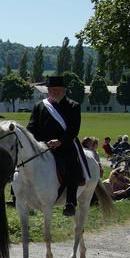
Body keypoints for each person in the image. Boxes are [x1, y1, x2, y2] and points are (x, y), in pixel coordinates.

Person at [27, 75, 84, 217]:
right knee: (23, 164)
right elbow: (31, 127)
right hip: (42, 147)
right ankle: (17, 196)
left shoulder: (73, 106)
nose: (55, 92)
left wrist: (60, 141)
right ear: (48, 91)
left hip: (64, 146)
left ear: (64, 90)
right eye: (52, 90)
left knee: (73, 165)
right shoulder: (39, 106)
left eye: (58, 89)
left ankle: (70, 203)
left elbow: (73, 130)